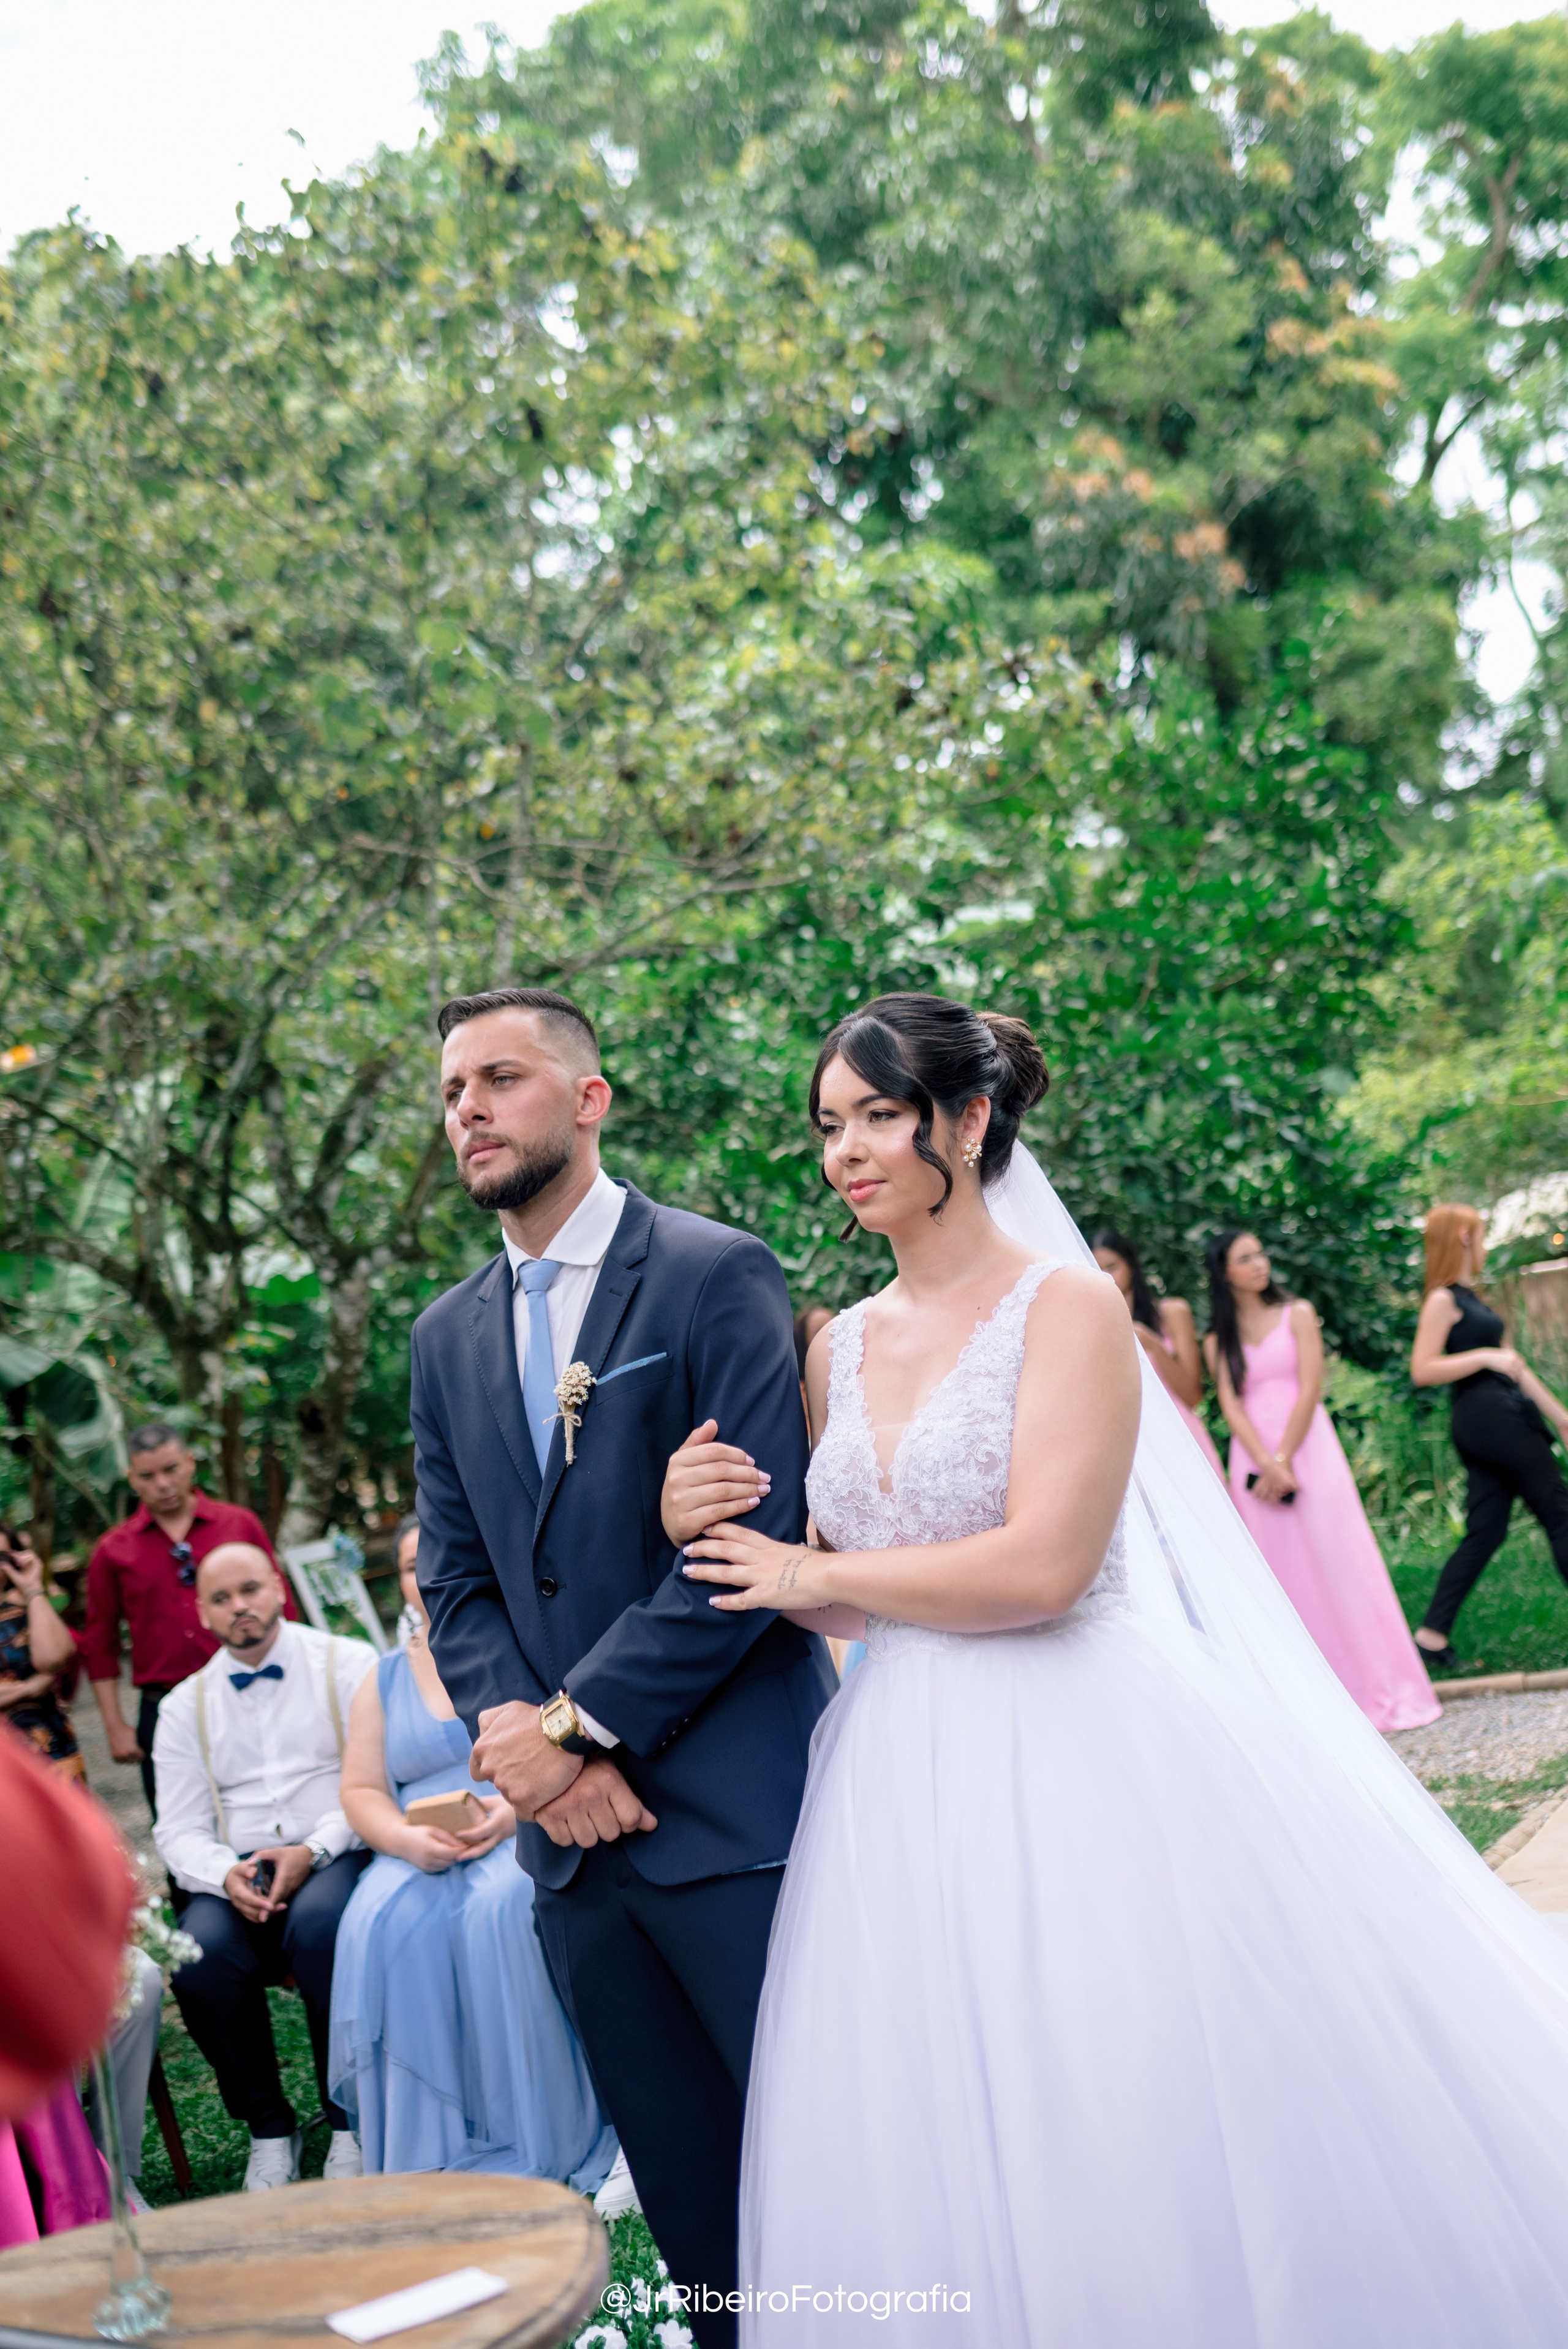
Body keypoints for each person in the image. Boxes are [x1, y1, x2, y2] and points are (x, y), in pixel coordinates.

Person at [662, 992, 1568, 2348]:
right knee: (953, 2112)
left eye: (876, 1117)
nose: (843, 1151)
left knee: (1123, 2088)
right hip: (900, 1777)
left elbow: (1043, 1569)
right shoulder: (834, 1343)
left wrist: (816, 1572)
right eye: (828, 1126)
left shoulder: (1067, 1307)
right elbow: (846, 1598)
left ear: (964, 1123)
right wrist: (716, 1532)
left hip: (1084, 1745)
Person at [413, 986, 835, 2348]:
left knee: (824, 2178)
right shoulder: (442, 1336)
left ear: (588, 1100)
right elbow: (460, 1577)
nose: (468, 1107)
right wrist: (532, 1753)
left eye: (501, 1078)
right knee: (692, 2208)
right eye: (450, 1090)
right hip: (576, 1862)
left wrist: (576, 1730)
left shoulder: (714, 1271)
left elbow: (755, 1546)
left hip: (729, 1821)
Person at [328, 1514, 618, 2192]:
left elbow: (562, 1747)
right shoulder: (382, 1677)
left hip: (516, 1819)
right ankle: (427, 2143)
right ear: (398, 1581)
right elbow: (362, 1788)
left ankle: (538, 2130)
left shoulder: (512, 1646)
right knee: (379, 1920)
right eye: (406, 1565)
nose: (420, 1575)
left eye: (429, 1559)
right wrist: (403, 1840)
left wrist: (510, 1813)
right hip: (418, 1843)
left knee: (502, 1905)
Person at [151, 1542, 375, 2190]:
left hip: (335, 1845)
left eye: (249, 1589)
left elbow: (374, 1779)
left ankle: (348, 2119)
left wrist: (315, 1851)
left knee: (324, 1927)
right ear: (201, 1611)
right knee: (197, 1954)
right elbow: (179, 1827)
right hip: (237, 1868)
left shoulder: (347, 1663)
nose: (239, 1607)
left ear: (278, 1587)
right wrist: (225, 1873)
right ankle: (269, 2127)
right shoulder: (181, 1707)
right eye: (221, 1598)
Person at [1203, 1228, 1438, 1733]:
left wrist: (1284, 1456)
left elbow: (1312, 1385)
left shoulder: (1299, 1313)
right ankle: (1313, 1701)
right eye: (1246, 1258)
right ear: (1225, 1273)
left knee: (1341, 1558)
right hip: (1255, 1458)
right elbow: (1229, 1401)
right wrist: (1265, 1463)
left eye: (1261, 1253)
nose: (1260, 1263)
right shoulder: (1216, 1338)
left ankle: (1382, 1686)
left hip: (1308, 1447)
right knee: (1284, 1574)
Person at [84, 1423, 292, 1814]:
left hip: (249, 1691)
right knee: (177, 1821)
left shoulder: (238, 1524)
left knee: (268, 1808)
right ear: (132, 1478)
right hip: (162, 1705)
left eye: (171, 1469)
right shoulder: (113, 1550)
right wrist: (115, 1726)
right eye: (148, 1476)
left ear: (190, 1464)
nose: (163, 1484)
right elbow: (100, 1641)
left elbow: (284, 1607)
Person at [1411, 1204, 1568, 1668]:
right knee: (1559, 1511)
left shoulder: (1470, 1298)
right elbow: (1423, 1368)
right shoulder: (1443, 1300)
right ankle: (1431, 1635)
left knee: (1486, 1529)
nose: (1484, 1244)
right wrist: (1483, 1357)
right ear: (1463, 1236)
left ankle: (1431, 1636)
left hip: (1495, 1415)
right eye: (1480, 1235)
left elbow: (1511, 1361)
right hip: (1490, 1418)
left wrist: (1561, 1417)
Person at [1090, 1227, 1223, 1475]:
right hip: (1127, 1444)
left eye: (1112, 1267)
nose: (1106, 1277)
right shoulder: (1089, 1328)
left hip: (1178, 1433)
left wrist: (1154, 1346)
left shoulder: (1171, 1313)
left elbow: (1194, 1396)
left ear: (1130, 1265)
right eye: (1096, 1270)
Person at [0, 1528, 83, 1777]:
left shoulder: (25, 1605)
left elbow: (54, 1658)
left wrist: (33, 1588)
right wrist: (27, 1689)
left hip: (49, 1750)